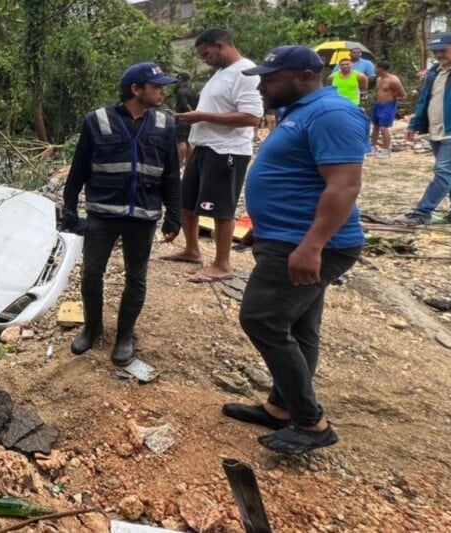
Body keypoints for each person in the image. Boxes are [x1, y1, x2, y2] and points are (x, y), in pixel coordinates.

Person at [225, 45, 366, 454]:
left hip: (308, 244)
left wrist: (312, 245)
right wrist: (263, 228)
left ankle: (311, 422)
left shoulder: (331, 113)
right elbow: (297, 179)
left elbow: (344, 185)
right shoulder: (301, 112)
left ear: (305, 76)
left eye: (271, 78)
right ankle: (281, 407)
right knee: (300, 327)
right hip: (285, 237)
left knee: (262, 320)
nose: (263, 85)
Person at [61, 62, 182, 366]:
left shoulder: (165, 125)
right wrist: (70, 206)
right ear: (136, 89)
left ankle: (125, 336)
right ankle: (92, 329)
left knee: (136, 277)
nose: (162, 92)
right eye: (156, 87)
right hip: (102, 214)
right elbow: (79, 168)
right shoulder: (96, 121)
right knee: (91, 273)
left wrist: (174, 215)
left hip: (143, 216)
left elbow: (170, 174)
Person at [160, 28, 264, 282]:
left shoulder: (246, 72)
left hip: (227, 150)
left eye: (206, 54)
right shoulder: (220, 74)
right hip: (204, 147)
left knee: (221, 209)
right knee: (188, 202)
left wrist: (201, 116)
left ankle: (222, 264)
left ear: (220, 45)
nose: (204, 60)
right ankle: (192, 250)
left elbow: (252, 118)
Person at [397, 33, 451, 225]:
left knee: (443, 171)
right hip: (436, 130)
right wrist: (414, 124)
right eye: (435, 51)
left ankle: (422, 212)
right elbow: (424, 100)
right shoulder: (434, 72)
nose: (439, 54)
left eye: (443, 49)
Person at [371, 60, 407, 161]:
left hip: (388, 105)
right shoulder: (378, 79)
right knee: (375, 126)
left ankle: (386, 150)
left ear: (380, 69)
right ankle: (373, 147)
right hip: (378, 104)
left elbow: (403, 94)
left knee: (384, 127)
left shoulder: (393, 80)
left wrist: (393, 97)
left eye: (375, 67)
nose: (374, 69)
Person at [174, 72, 201, 166]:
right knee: (189, 142)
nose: (176, 82)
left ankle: (180, 164)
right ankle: (188, 165)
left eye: (177, 80)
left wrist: (190, 114)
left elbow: (186, 105)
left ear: (181, 80)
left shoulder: (180, 91)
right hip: (193, 119)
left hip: (183, 118)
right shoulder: (193, 91)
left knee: (181, 142)